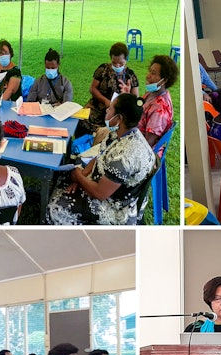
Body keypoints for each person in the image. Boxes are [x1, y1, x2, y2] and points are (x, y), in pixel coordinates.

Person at [47, 94, 156, 225]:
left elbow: (99, 194)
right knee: (63, 178)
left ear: (119, 118)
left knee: (55, 210)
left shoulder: (124, 158)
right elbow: (100, 156)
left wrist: (79, 178)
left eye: (110, 109)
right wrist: (81, 176)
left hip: (116, 208)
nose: (106, 110)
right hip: (108, 187)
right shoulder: (121, 133)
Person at [81, 42, 139, 135]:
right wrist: (105, 101)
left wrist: (127, 94)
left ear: (126, 60)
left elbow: (135, 100)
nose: (117, 66)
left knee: (111, 130)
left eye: (121, 63)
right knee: (82, 121)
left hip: (117, 113)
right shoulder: (103, 69)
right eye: (114, 62)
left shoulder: (130, 76)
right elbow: (93, 89)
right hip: (98, 108)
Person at [139, 55, 177, 148]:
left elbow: (147, 145)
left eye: (153, 73)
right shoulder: (152, 93)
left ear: (164, 80)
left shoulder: (159, 109)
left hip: (142, 151)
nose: (148, 76)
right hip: (134, 137)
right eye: (150, 71)